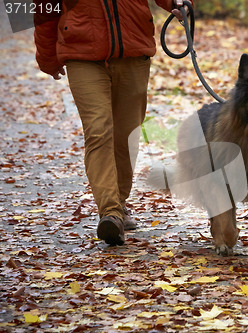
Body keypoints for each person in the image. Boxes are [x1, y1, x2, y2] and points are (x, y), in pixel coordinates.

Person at [34, 0, 193, 246]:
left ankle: (119, 203)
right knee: (98, 131)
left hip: (133, 50)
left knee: (126, 135)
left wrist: (175, 2)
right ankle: (110, 212)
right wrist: (47, 56)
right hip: (82, 54)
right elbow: (45, 8)